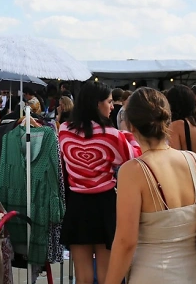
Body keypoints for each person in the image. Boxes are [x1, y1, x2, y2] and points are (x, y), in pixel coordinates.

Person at [105, 88, 196, 284]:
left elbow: (126, 241)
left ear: (131, 126)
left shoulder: (133, 171)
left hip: (151, 274)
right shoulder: (193, 161)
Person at [59, 82, 141, 284]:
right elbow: (133, 156)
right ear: (97, 104)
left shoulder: (64, 130)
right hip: (104, 204)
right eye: (109, 101)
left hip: (77, 204)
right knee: (106, 275)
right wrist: (128, 135)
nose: (112, 106)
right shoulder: (111, 135)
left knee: (83, 277)